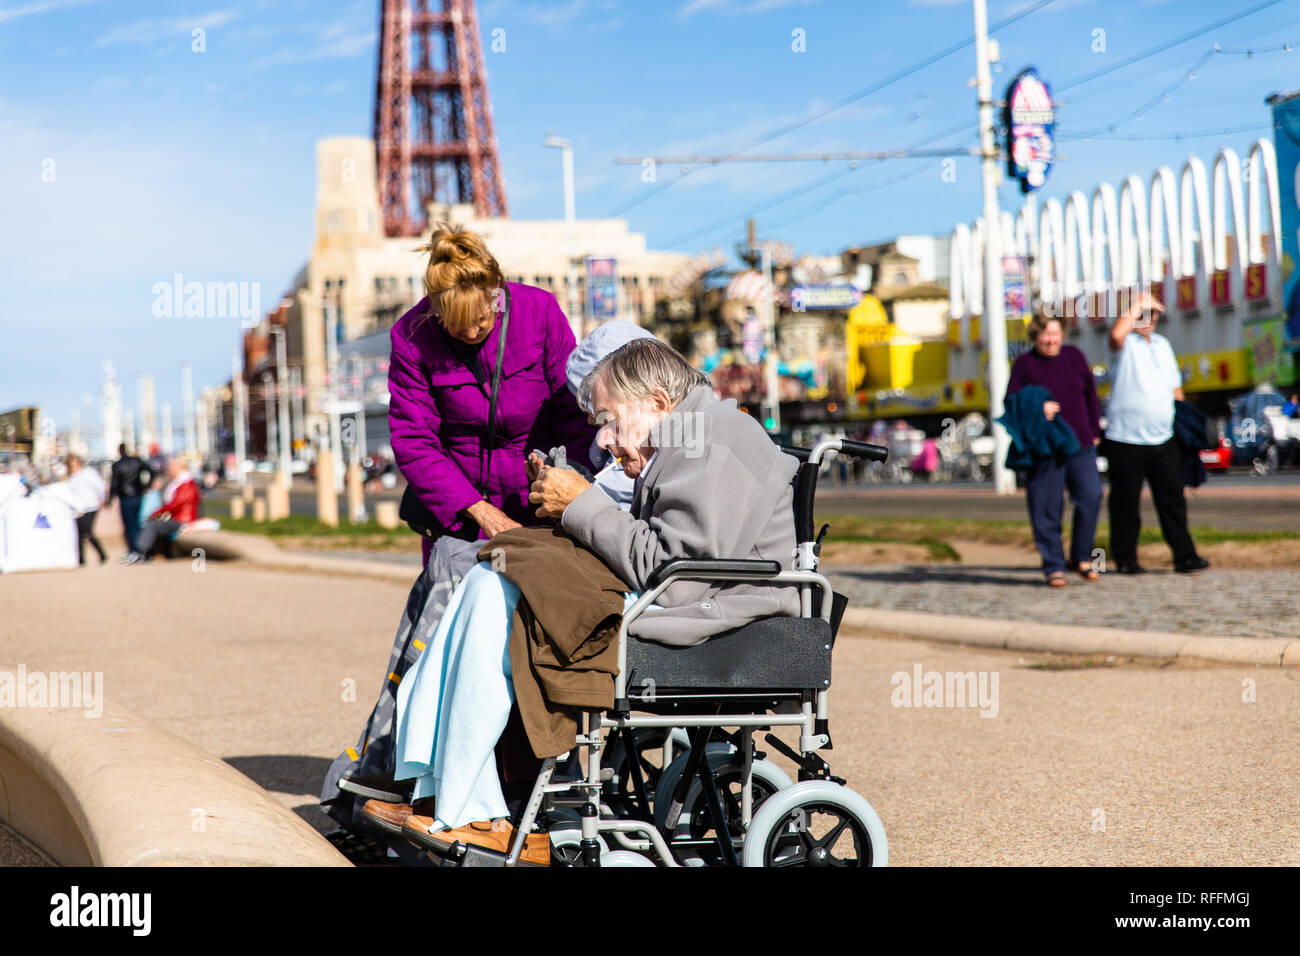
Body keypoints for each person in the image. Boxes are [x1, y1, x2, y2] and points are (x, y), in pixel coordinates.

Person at [369, 338, 800, 860]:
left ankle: (465, 807)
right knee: (492, 573)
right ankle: (444, 794)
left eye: (611, 420)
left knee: (500, 588)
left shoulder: (712, 437)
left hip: (709, 614)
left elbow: (676, 575)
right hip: (683, 599)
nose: (604, 438)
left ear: (659, 405)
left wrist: (582, 504)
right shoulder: (693, 433)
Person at [387, 222, 597, 566]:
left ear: (496, 292)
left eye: (480, 319)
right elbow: (414, 439)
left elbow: (577, 413)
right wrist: (477, 510)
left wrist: (569, 480)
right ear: (435, 310)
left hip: (544, 511)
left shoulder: (540, 312)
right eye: (456, 324)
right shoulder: (411, 336)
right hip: (461, 519)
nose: (470, 331)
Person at [1104, 292, 1208, 574]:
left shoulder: (1163, 345)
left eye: (1151, 314)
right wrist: (1137, 304)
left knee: (1173, 500)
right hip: (1125, 439)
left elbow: (1175, 387)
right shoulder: (1124, 345)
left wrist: (1185, 424)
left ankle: (1184, 556)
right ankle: (1125, 559)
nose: (1146, 319)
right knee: (1125, 503)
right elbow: (1115, 335)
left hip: (1164, 437)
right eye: (1140, 314)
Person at [1005, 311, 1103, 586]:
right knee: (1046, 507)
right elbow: (1010, 401)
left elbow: (1090, 396)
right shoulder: (1024, 364)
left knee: (1091, 496)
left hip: (1080, 441)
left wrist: (1095, 431)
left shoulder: (1074, 357)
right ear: (1035, 336)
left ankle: (1081, 557)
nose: (1050, 340)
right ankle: (1053, 565)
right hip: (1044, 447)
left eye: (1055, 334)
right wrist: (1038, 407)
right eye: (1045, 335)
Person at [124, 457, 200, 564]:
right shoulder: (182, 482)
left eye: (170, 467)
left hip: (183, 519)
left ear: (178, 467)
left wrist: (157, 512)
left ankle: (140, 552)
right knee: (153, 524)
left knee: (152, 525)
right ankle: (146, 552)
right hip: (178, 517)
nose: (168, 469)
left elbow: (176, 504)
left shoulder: (186, 483)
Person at [105, 444, 152, 555]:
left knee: (129, 525)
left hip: (125, 498)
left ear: (119, 451)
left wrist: (110, 499)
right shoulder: (137, 461)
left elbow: (114, 483)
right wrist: (146, 486)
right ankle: (142, 549)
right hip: (138, 495)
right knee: (138, 523)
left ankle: (136, 550)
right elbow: (151, 470)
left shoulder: (117, 465)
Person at [65, 454, 107, 566]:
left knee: (88, 532)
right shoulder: (71, 477)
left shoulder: (89, 472)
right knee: (78, 534)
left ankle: (102, 554)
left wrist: (102, 498)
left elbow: (99, 485)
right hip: (77, 509)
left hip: (91, 506)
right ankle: (81, 560)